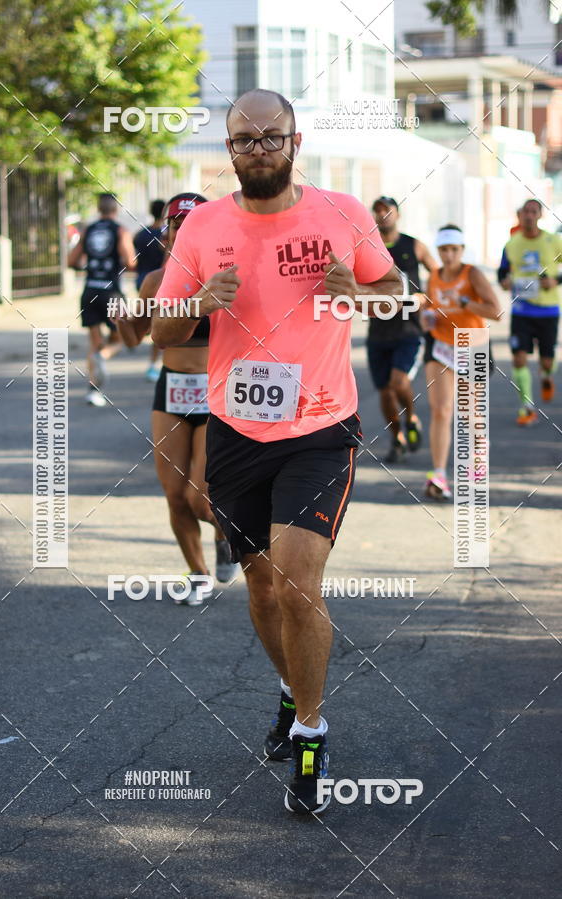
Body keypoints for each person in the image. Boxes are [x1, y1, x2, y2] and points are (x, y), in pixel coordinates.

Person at [151, 89, 402, 814]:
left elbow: (396, 290)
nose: (257, 149)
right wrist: (198, 304)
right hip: (238, 429)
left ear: (296, 139)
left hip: (321, 428)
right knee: (260, 586)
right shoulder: (202, 227)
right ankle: (291, 686)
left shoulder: (343, 213)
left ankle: (311, 728)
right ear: (228, 149)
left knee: (296, 582)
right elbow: (160, 331)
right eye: (243, 140)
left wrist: (359, 290)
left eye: (270, 137)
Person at [114, 193, 238, 604]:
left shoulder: (223, 278)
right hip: (171, 389)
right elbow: (135, 339)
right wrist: (123, 320)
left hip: (215, 394)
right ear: (166, 229)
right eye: (176, 223)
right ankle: (198, 574)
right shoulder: (155, 281)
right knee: (172, 495)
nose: (182, 230)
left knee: (198, 496)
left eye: (192, 222)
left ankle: (225, 532)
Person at [423, 225, 500, 499]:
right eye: (444, 250)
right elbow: (430, 307)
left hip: (472, 342)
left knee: (469, 413)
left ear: (462, 250)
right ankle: (439, 474)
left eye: (454, 249)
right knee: (441, 410)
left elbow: (496, 312)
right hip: (441, 344)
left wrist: (466, 302)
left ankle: (478, 455)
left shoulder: (472, 274)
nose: (448, 255)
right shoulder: (433, 275)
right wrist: (427, 316)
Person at [369, 196, 438, 462]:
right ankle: (396, 437)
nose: (382, 215)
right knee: (385, 392)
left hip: (409, 329)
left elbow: (438, 273)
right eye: (377, 211)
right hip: (378, 331)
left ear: (398, 214)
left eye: (387, 211)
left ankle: (411, 418)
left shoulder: (414, 245)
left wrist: (426, 298)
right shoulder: (368, 246)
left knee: (399, 382)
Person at [497, 198, 562, 426]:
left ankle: (546, 375)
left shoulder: (553, 241)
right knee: (519, 358)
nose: (529, 216)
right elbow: (502, 271)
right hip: (522, 311)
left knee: (546, 361)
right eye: (525, 211)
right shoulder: (512, 244)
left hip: (548, 311)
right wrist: (504, 281)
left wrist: (556, 280)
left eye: (533, 212)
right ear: (520, 215)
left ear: (540, 215)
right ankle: (527, 407)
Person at [68, 193, 136, 406]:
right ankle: (104, 356)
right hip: (112, 292)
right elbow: (130, 262)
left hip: (89, 290)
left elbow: (71, 260)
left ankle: (93, 390)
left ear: (99, 209)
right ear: (115, 209)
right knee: (121, 338)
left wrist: (89, 266)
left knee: (94, 342)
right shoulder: (120, 230)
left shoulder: (88, 230)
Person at [133, 199, 167, 382]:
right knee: (158, 323)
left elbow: (133, 259)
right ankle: (154, 365)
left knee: (148, 320)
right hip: (159, 282)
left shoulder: (140, 234)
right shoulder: (166, 234)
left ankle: (153, 363)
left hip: (142, 280)